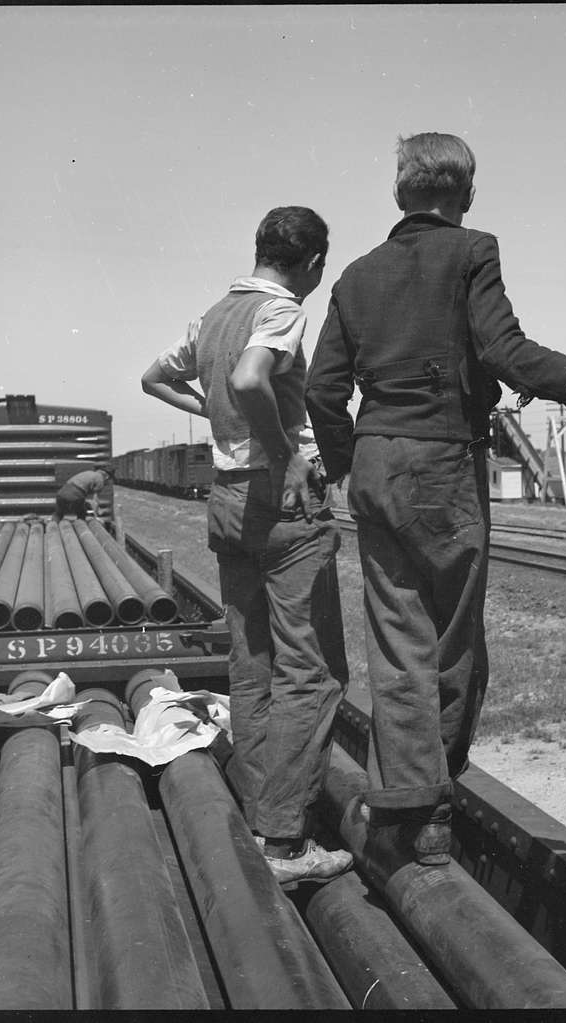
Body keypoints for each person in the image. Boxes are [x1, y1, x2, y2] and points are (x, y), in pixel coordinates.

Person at [305, 132, 566, 868]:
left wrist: (350, 464)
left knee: (397, 637)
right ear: (464, 193)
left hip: (378, 464)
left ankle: (404, 806)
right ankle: (431, 810)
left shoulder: (353, 275)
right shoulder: (474, 250)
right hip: (445, 464)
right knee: (451, 640)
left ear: (400, 193)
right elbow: (506, 353)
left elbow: (323, 390)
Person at [140, 206, 352, 887]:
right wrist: (288, 453)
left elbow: (154, 376)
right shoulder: (282, 311)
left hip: (227, 501)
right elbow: (250, 380)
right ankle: (286, 842)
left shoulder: (211, 318)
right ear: (312, 263)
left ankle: (261, 813)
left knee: (251, 661)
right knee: (311, 671)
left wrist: (211, 415)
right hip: (282, 504)